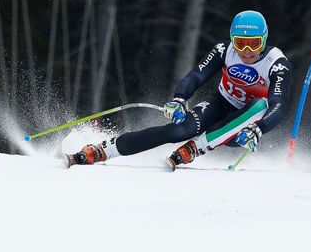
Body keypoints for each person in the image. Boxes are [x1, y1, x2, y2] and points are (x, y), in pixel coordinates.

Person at [63, 10, 292, 171]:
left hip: (246, 125)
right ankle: (104, 149)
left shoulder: (276, 63)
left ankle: (196, 148)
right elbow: (197, 75)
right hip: (221, 103)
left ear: (264, 40)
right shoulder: (225, 50)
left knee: (260, 105)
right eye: (241, 43)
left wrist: (259, 129)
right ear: (233, 40)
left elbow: (278, 104)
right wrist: (179, 99)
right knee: (177, 131)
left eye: (254, 43)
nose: (247, 51)